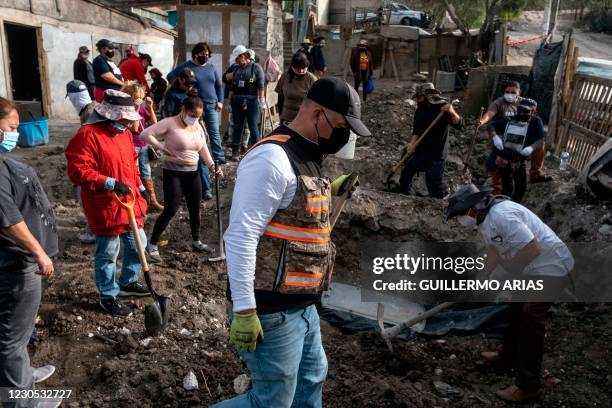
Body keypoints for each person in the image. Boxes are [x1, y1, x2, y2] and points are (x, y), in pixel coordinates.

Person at [212, 77, 371, 408]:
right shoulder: (271, 158)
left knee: (311, 380)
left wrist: (331, 188)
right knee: (271, 401)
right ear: (316, 115)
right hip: (271, 308)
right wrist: (243, 309)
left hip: (302, 303)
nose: (343, 137)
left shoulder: (304, 152)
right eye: (341, 126)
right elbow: (241, 236)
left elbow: (293, 202)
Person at [445, 183, 574, 403]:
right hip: (531, 266)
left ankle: (529, 386)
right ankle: (509, 355)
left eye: (459, 215)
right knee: (514, 307)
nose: (459, 221)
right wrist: (482, 277)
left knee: (531, 315)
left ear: (472, 209)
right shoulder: (484, 221)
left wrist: (510, 270)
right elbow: (494, 250)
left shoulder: (502, 215)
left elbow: (533, 248)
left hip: (552, 265)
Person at [65, 90, 151, 317]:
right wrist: (110, 183)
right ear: (110, 116)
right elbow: (78, 171)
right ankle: (108, 295)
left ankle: (128, 281)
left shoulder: (123, 133)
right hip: (105, 203)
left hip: (129, 200)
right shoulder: (88, 135)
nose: (127, 123)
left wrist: (141, 187)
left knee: (138, 244)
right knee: (108, 252)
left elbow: (131, 162)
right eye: (123, 119)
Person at [0, 97, 60, 408]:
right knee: (11, 339)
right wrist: (39, 252)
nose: (15, 133)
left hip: (15, 262)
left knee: (16, 330)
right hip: (14, 265)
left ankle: (22, 377)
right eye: (11, 128)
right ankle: (22, 402)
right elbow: (8, 219)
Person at [140, 96, 223, 263]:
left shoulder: (197, 125)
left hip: (193, 173)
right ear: (183, 109)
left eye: (198, 116)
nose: (194, 118)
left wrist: (212, 165)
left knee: (195, 208)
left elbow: (203, 148)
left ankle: (196, 240)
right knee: (171, 210)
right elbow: (145, 134)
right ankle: (153, 243)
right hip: (173, 172)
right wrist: (162, 147)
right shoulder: (170, 122)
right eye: (192, 114)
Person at [168, 43, 225, 199]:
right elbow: (171, 77)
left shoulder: (211, 68)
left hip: (211, 104)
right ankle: (192, 189)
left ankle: (217, 159)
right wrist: (185, 88)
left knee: (212, 134)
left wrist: (220, 100)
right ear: (195, 54)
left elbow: (219, 86)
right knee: (193, 147)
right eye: (202, 53)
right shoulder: (185, 68)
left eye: (207, 53)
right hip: (194, 105)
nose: (205, 55)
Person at [394, 83, 463, 198]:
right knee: (407, 172)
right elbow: (416, 131)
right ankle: (404, 195)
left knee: (433, 185)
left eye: (420, 98)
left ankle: (438, 206)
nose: (417, 101)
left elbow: (460, 124)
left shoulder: (443, 109)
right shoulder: (420, 111)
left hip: (436, 155)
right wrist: (411, 145)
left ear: (428, 97)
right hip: (421, 151)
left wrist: (452, 112)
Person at [479, 81, 552, 188]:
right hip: (502, 137)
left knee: (539, 145)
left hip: (521, 136)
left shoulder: (525, 104)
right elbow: (490, 115)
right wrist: (482, 123)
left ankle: (535, 173)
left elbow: (537, 130)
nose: (509, 94)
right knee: (497, 159)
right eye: (507, 92)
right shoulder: (499, 103)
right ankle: (496, 186)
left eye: (513, 92)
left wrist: (531, 147)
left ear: (519, 92)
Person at [485, 98, 543, 203]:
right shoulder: (510, 120)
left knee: (521, 187)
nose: (521, 113)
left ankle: (514, 205)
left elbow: (540, 139)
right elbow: (491, 125)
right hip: (505, 157)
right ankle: (504, 205)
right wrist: (495, 137)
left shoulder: (536, 122)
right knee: (507, 186)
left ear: (534, 112)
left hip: (519, 157)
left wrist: (531, 148)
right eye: (519, 110)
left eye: (526, 111)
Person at [120, 81, 163, 211]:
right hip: (133, 145)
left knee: (146, 172)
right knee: (135, 174)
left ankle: (152, 201)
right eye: (139, 96)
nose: (142, 98)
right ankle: (137, 202)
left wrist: (150, 107)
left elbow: (155, 124)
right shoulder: (128, 109)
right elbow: (134, 128)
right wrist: (136, 109)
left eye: (142, 96)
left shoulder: (143, 107)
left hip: (143, 145)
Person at [66, 80, 97, 244]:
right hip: (93, 162)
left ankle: (93, 232)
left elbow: (89, 141)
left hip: (93, 164)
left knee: (88, 197)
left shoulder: (89, 113)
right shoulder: (91, 108)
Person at [228, 46, 266, 160]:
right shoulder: (237, 69)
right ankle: (235, 152)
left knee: (253, 127)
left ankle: (257, 153)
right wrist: (229, 102)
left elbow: (261, 86)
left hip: (253, 101)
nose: (237, 62)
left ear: (243, 56)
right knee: (237, 127)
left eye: (238, 60)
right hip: (237, 101)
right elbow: (232, 87)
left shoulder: (256, 68)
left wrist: (261, 101)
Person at [223, 45, 251, 155]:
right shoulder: (235, 67)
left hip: (248, 100)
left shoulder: (253, 68)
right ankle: (233, 144)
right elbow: (225, 79)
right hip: (234, 100)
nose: (238, 62)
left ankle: (244, 145)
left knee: (247, 125)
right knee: (234, 124)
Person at [276, 52, 317, 124]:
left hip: (304, 119)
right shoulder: (285, 76)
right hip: (286, 117)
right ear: (292, 67)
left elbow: (316, 102)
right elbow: (280, 96)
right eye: (298, 68)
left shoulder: (312, 79)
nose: (301, 71)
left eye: (303, 68)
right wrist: (280, 114)